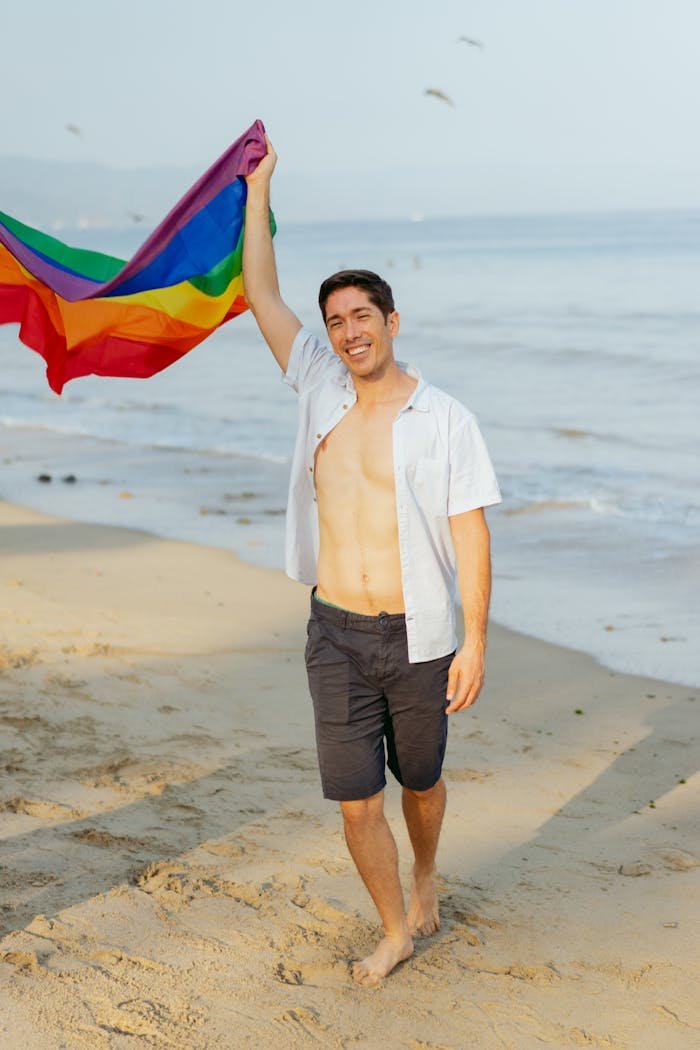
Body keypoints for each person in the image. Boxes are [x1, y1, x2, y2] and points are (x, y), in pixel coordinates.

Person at [242, 137, 501, 987]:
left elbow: (470, 531)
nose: (348, 332)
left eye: (362, 317)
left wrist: (475, 640)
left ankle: (426, 871)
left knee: (421, 784)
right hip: (336, 634)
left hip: (419, 636)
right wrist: (258, 188)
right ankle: (394, 928)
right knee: (357, 801)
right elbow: (259, 291)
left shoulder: (445, 418)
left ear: (392, 322)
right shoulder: (316, 381)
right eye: (336, 322)